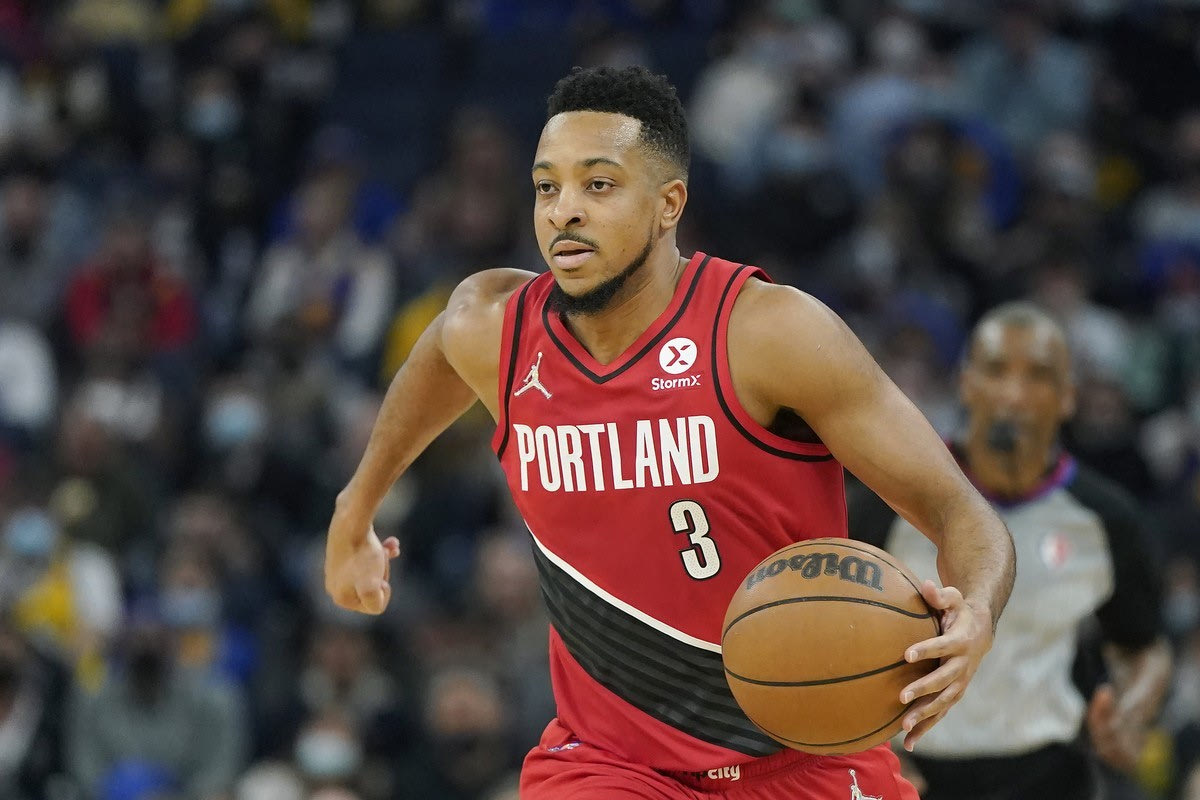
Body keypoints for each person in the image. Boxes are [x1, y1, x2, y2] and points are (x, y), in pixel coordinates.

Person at [324, 65, 1016, 799]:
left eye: (598, 184)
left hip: (805, 757)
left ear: (667, 204)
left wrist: (975, 612)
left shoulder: (768, 333)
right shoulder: (500, 333)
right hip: (609, 768)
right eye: (547, 187)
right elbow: (439, 351)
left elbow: (961, 512)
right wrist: (355, 508)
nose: (564, 211)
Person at [851, 302, 1172, 800]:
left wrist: (1129, 712)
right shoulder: (893, 499)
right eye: (996, 371)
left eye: (1037, 376)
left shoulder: (1105, 518)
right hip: (912, 768)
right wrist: (866, 747)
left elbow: (1144, 644)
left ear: (1068, 397)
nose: (1013, 394)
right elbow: (835, 631)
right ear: (966, 383)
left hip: (1050, 773)